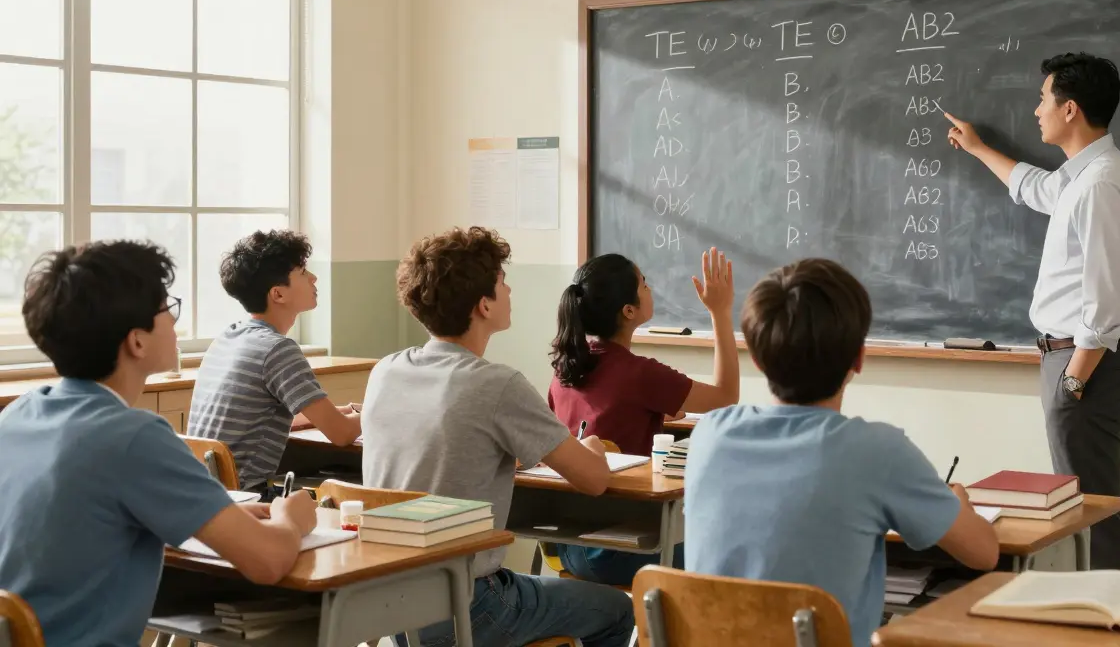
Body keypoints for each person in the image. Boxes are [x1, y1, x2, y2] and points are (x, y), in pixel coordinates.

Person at [0, 240, 317, 647]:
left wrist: (219, 514)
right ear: (137, 341)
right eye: (167, 309)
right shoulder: (133, 436)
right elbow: (268, 562)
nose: (174, 322)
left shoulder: (18, 415)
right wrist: (290, 519)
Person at [684, 258, 998, 647]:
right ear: (859, 359)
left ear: (759, 358)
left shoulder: (709, 435)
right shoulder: (877, 452)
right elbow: (984, 553)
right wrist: (959, 507)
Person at [361, 226, 634, 647]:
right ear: (484, 305)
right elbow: (593, 479)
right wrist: (592, 448)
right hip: (467, 607)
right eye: (504, 283)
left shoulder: (387, 370)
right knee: (619, 611)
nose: (510, 291)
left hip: (389, 605)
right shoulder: (496, 384)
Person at [944, 52, 1120, 570]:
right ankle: (1097, 611)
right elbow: (1034, 188)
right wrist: (979, 149)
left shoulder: (1100, 184)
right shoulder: (1085, 177)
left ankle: (1103, 619)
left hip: (1085, 365)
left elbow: (1106, 301)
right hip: (1075, 363)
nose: (1036, 110)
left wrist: (1073, 384)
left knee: (1091, 508)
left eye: (1042, 99)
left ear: (1070, 108)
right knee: (1086, 504)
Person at [546, 249, 738, 585]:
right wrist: (720, 313)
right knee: (732, 545)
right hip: (623, 551)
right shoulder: (640, 375)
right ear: (629, 310)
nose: (651, 289)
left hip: (565, 547)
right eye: (644, 284)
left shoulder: (565, 369)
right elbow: (726, 396)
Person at [188, 229, 361, 496]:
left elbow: (254, 416)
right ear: (278, 294)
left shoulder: (228, 338)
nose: (314, 277)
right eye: (303, 272)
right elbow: (342, 435)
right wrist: (375, 414)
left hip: (205, 495)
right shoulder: (277, 349)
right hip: (246, 500)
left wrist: (346, 412)